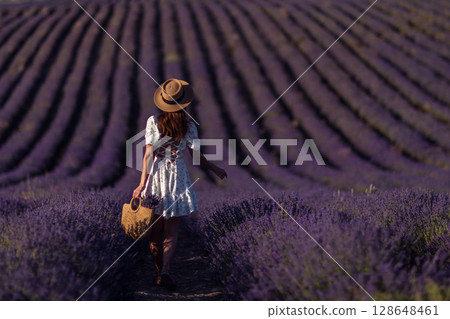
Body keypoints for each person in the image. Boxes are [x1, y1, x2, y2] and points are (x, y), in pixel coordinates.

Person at [132, 78, 227, 292]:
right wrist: (215, 169)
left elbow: (149, 154)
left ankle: (158, 273)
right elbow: (197, 157)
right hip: (178, 177)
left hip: (156, 177)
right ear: (184, 103)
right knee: (171, 232)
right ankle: (165, 271)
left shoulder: (153, 122)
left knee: (155, 232)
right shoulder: (189, 125)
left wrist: (141, 184)